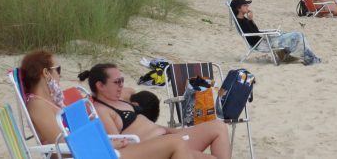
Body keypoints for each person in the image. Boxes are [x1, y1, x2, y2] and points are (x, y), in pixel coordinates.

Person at [19, 50, 194, 159]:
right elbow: (63, 144)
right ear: (46, 73)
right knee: (175, 143)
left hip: (97, 151)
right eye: (57, 70)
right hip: (95, 154)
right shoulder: (37, 105)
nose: (59, 75)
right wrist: (107, 144)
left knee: (175, 144)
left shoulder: (47, 102)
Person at [80, 64, 231, 159]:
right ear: (100, 85)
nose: (121, 85)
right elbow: (120, 144)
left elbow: (130, 90)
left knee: (218, 126)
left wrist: (177, 131)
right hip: (155, 149)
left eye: (122, 81)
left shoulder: (119, 99)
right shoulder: (102, 110)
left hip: (169, 137)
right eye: (117, 82)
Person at [231, 0, 320, 65]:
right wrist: (250, 20)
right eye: (245, 5)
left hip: (264, 40)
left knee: (286, 33)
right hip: (263, 44)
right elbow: (254, 34)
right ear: (238, 8)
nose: (248, 7)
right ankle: (310, 58)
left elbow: (255, 31)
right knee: (298, 35)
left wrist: (251, 20)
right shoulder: (242, 21)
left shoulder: (243, 19)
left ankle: (302, 56)